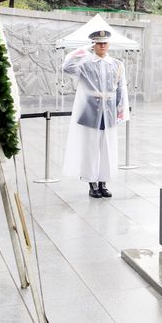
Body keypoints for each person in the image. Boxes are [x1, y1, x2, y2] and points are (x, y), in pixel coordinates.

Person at [63, 29, 129, 198]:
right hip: (91, 110)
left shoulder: (116, 64)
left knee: (107, 148)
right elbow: (67, 67)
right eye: (98, 43)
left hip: (109, 111)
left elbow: (120, 89)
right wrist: (84, 49)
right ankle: (92, 183)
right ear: (94, 45)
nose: (102, 46)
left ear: (109, 44)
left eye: (104, 43)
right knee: (91, 148)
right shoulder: (85, 63)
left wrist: (119, 110)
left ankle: (103, 182)